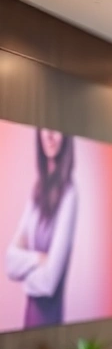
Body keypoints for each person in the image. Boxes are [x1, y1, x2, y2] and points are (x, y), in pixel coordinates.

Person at [5, 127, 78, 328]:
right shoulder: (37, 193)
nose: (50, 135)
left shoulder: (69, 195)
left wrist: (24, 273)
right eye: (45, 129)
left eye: (57, 129)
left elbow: (48, 282)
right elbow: (10, 263)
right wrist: (39, 258)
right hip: (29, 318)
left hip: (49, 320)